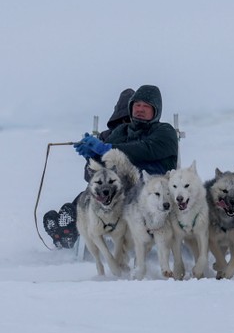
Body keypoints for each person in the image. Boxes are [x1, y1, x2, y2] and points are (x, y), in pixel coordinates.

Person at [42, 85, 180, 249]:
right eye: (137, 105)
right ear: (131, 107)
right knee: (95, 188)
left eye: (146, 106)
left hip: (151, 190)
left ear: (155, 110)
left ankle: (72, 225)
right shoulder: (122, 131)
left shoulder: (164, 131)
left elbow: (146, 149)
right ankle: (70, 226)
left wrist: (108, 150)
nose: (140, 109)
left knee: (113, 184)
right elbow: (103, 162)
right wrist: (92, 156)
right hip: (118, 191)